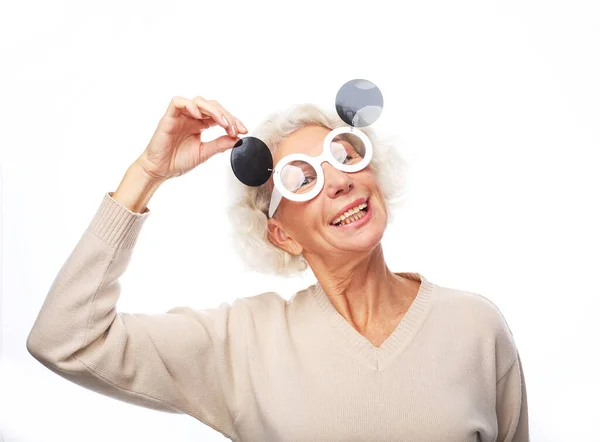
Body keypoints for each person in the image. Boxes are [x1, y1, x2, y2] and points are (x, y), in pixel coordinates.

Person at [26, 93, 529, 441]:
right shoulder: (243, 345)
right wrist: (147, 173)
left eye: (346, 157)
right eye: (303, 179)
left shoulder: (474, 326)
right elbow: (66, 339)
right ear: (282, 234)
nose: (339, 182)